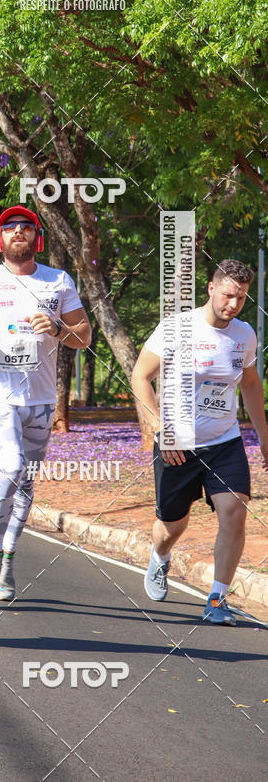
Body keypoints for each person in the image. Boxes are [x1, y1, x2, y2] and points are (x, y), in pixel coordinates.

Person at [0, 205, 91, 600]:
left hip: (41, 399)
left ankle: (7, 559)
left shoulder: (59, 281)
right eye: (10, 227)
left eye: (27, 226)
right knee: (10, 467)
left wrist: (60, 328)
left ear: (37, 238)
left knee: (26, 483)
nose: (19, 232)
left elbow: (84, 336)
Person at [131, 259, 268, 625]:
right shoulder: (176, 328)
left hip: (224, 441)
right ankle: (160, 557)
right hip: (178, 442)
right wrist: (162, 431)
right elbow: (140, 376)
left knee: (235, 510)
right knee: (172, 527)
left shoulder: (244, 335)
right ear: (210, 288)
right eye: (228, 295)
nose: (233, 305)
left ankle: (217, 599)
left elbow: (251, 384)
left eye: (241, 298)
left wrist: (263, 436)